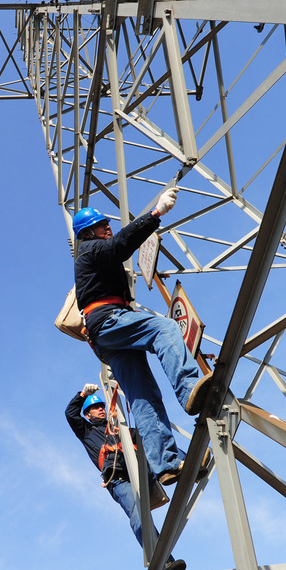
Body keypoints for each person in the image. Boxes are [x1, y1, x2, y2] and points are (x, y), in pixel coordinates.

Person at [72, 186, 211, 485]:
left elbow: (117, 248)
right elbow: (120, 246)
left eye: (106, 223)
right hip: (109, 320)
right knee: (164, 328)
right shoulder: (91, 250)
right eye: (101, 225)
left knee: (143, 396)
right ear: (88, 232)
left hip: (106, 336)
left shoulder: (93, 256)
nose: (107, 227)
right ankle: (189, 389)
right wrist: (155, 214)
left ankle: (167, 463)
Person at [65, 385, 186, 570]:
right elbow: (71, 414)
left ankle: (187, 462)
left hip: (139, 471)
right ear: (87, 415)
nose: (101, 409)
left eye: (102, 406)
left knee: (153, 441)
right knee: (139, 519)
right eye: (95, 408)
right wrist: (83, 395)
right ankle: (165, 561)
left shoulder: (119, 428)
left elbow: (149, 438)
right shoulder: (87, 431)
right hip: (119, 479)